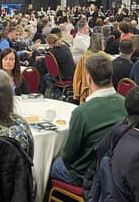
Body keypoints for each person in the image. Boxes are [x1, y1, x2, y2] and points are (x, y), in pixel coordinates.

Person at [50, 54, 126, 186]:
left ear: (88, 77)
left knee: (48, 164)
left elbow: (68, 156)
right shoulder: (126, 104)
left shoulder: (82, 112)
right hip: (118, 169)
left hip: (86, 175)